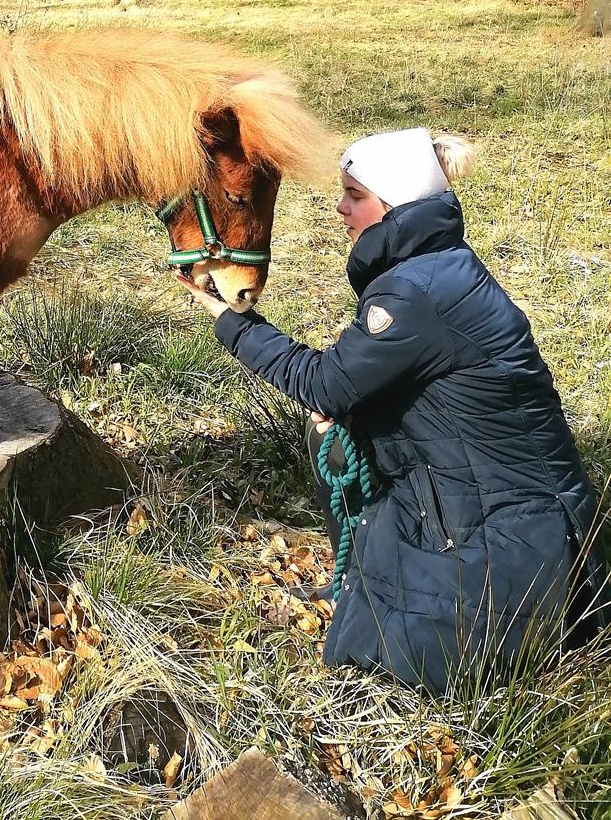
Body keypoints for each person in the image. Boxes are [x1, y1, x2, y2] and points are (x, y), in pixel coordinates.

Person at [182, 127, 608, 694]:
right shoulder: (434, 268)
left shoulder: (415, 293)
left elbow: (325, 383)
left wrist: (231, 324)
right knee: (336, 452)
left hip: (523, 539)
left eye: (355, 195)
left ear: (394, 205)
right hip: (505, 509)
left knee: (382, 657)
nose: (340, 208)